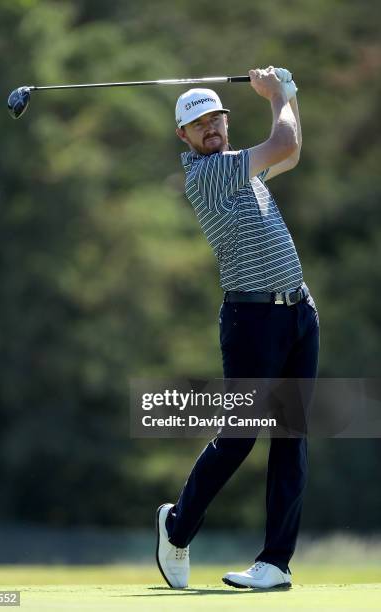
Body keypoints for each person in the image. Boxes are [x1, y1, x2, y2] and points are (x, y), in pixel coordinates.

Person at [155, 66, 320, 589]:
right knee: (240, 437)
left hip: (298, 311)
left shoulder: (241, 167)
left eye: (216, 118)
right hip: (252, 320)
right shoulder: (209, 174)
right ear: (184, 136)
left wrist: (285, 100)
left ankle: (275, 562)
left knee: (291, 436)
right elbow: (284, 139)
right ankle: (176, 527)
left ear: (227, 122)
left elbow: (289, 152)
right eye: (198, 123)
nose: (210, 127)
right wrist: (281, 95)